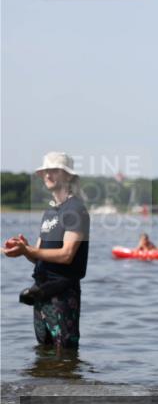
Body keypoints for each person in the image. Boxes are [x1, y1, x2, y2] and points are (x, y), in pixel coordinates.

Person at [3, 152, 90, 354]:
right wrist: (23, 250)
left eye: (54, 171)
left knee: (65, 353)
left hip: (63, 294)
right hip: (41, 291)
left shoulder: (75, 209)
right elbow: (39, 255)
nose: (48, 175)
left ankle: (69, 387)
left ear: (68, 176)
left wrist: (29, 249)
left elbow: (67, 255)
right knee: (43, 352)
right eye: (45, 172)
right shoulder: (50, 211)